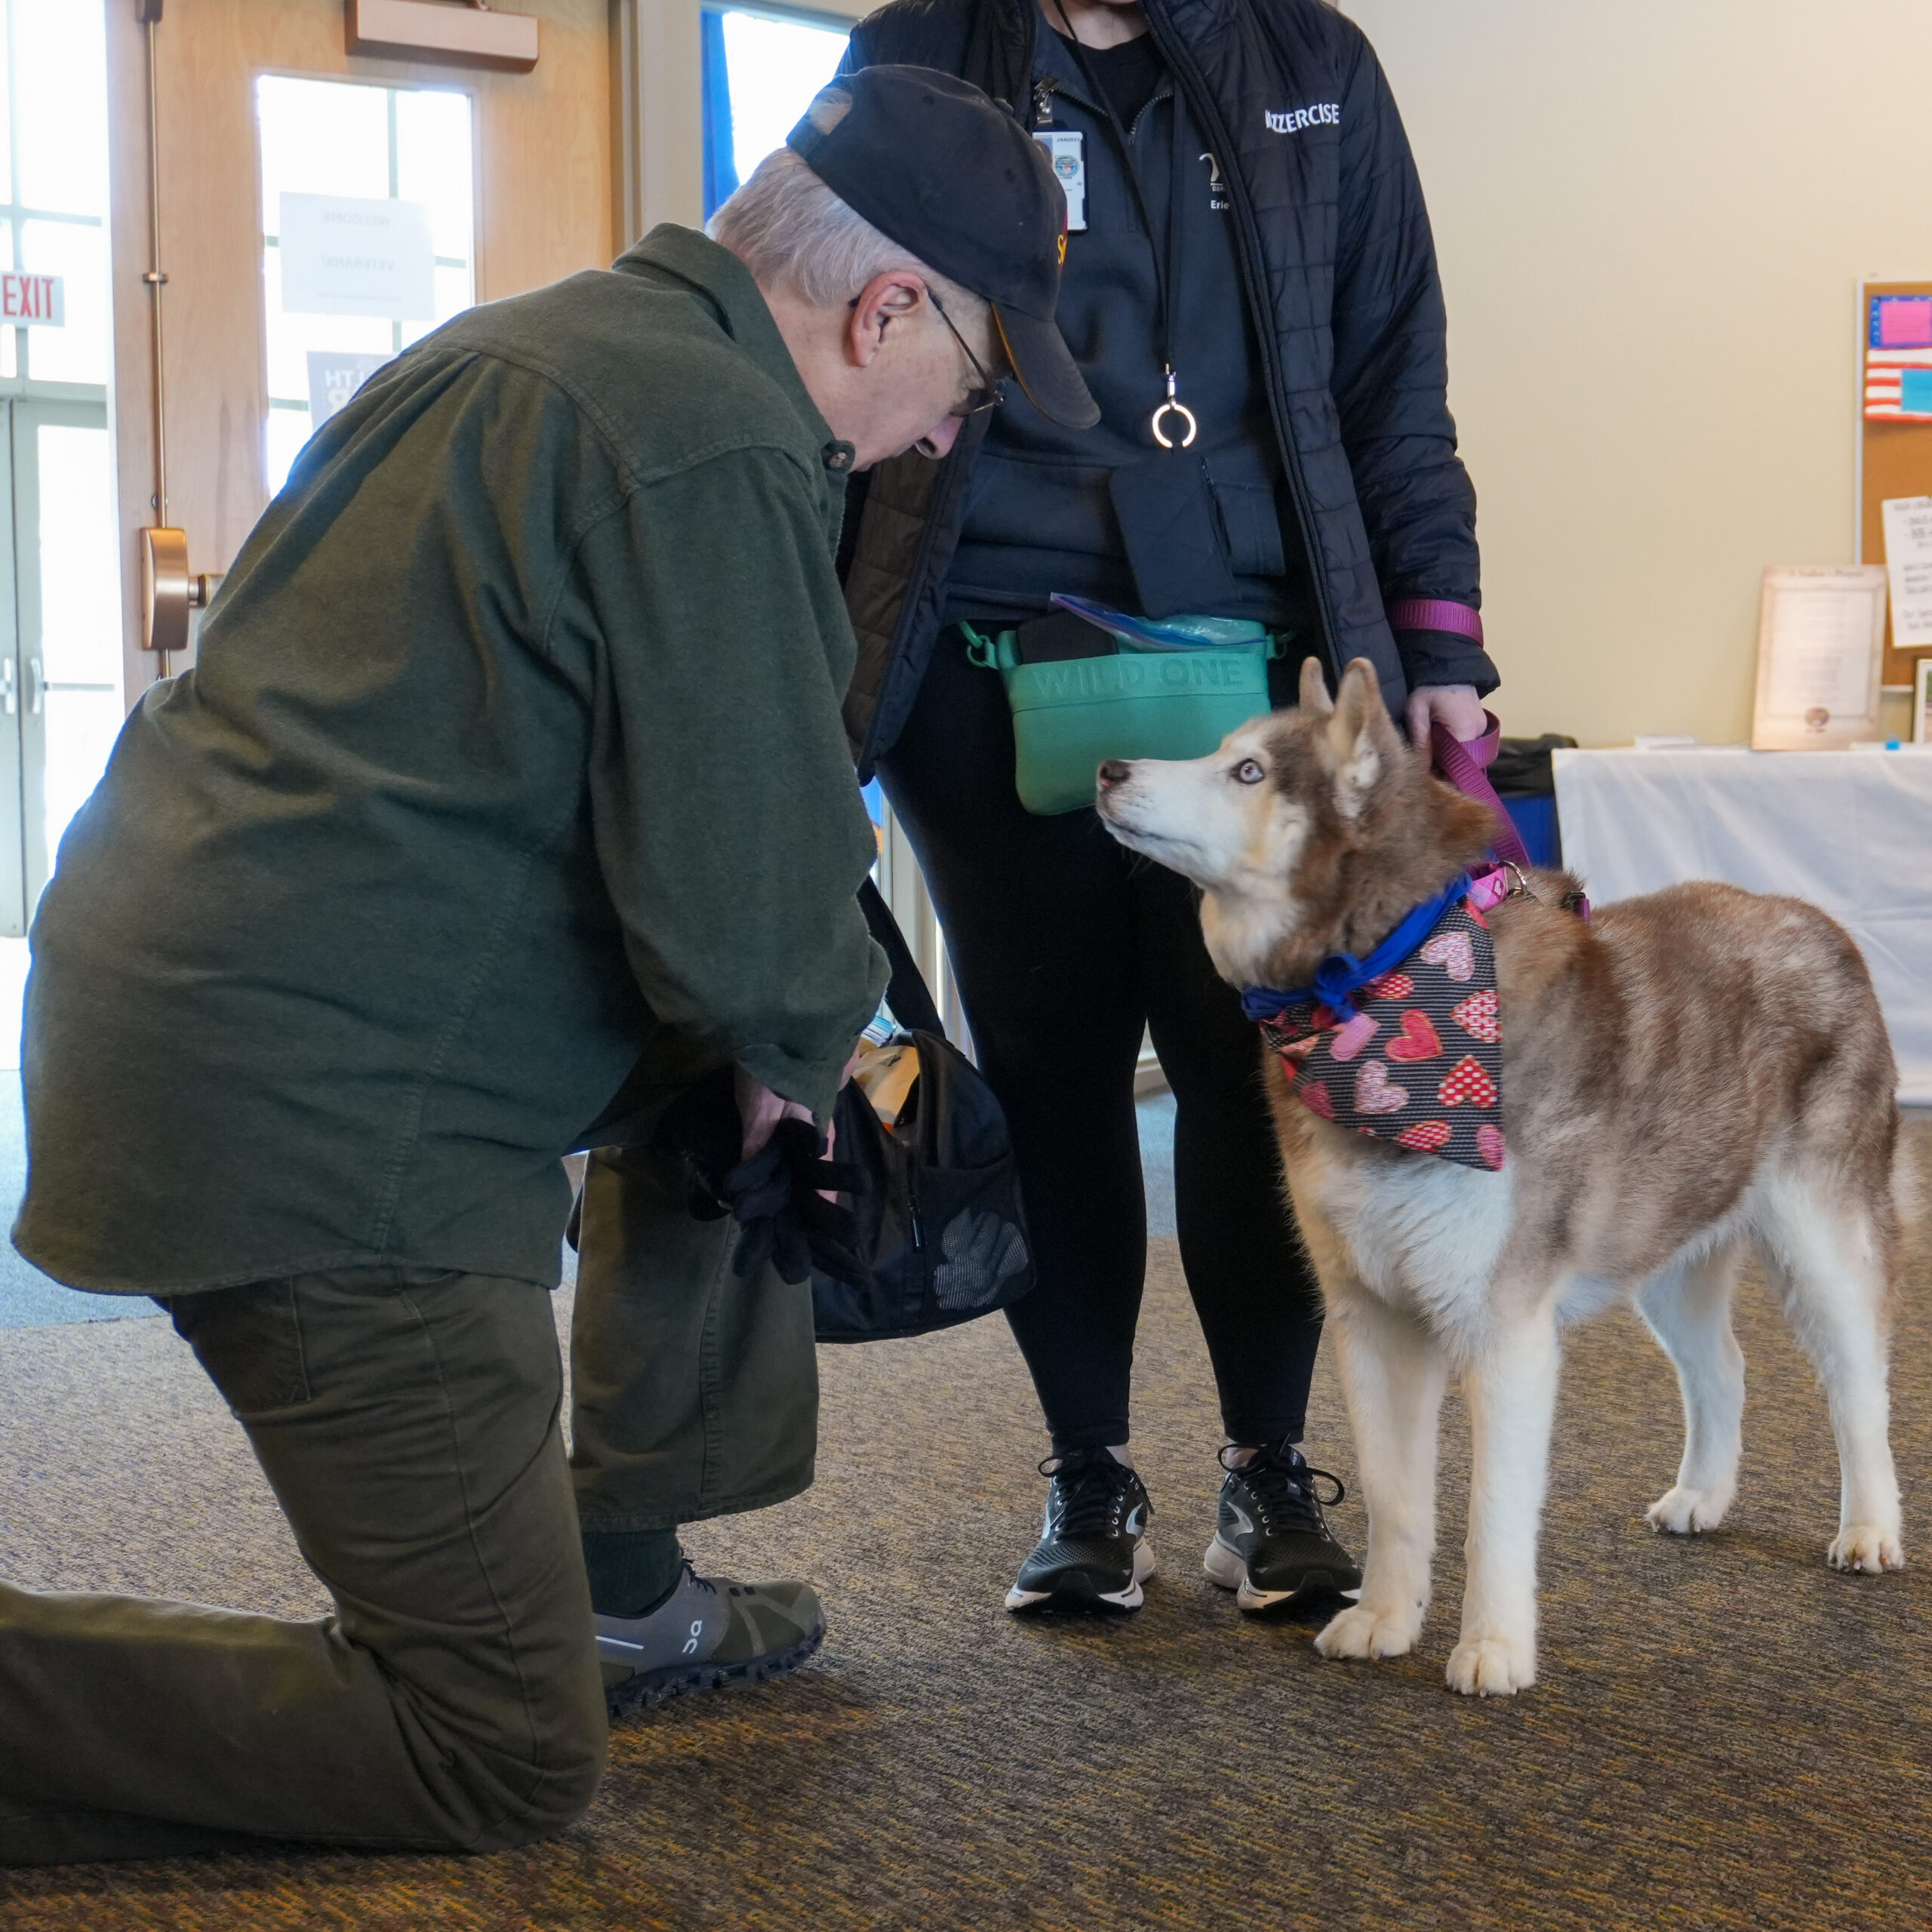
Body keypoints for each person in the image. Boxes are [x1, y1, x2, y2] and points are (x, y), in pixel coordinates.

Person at [0, 66, 1093, 1866]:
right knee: (495, 1752)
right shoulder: (724, 437)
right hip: (318, 1118)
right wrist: (819, 1051)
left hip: (180, 996)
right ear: (885, 307)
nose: (932, 441)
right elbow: (751, 897)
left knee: (730, 1089)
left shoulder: (528, 348)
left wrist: (764, 1045)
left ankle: (617, 1575)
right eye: (966, 391)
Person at [837, 0, 1500, 1617]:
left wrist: (1436, 641)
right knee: (1049, 1060)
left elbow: (1387, 373)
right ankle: (1085, 1469)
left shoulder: (1311, 65)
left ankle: (1268, 1467)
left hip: (1256, 667)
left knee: (1248, 1070)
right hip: (979, 656)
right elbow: (828, 340)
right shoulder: (917, 43)